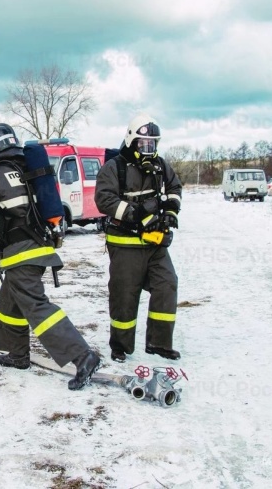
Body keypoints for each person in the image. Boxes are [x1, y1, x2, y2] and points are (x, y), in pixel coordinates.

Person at [0, 123, 101, 391]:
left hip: (20, 254)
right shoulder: (28, 171)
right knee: (10, 305)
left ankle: (83, 356)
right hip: (39, 248)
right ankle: (18, 355)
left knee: (38, 307)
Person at [94, 113, 183, 363]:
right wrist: (138, 214)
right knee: (125, 294)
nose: (149, 149)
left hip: (155, 244)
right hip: (125, 244)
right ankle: (120, 346)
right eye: (144, 144)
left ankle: (159, 343)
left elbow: (175, 188)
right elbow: (104, 199)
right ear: (132, 141)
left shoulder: (161, 165)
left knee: (167, 285)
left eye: (153, 144)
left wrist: (170, 212)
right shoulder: (114, 168)